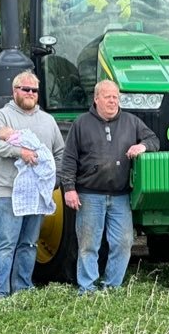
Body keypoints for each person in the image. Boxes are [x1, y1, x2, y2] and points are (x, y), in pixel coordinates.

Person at [60, 79, 159, 295]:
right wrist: (69, 188)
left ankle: (112, 286)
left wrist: (142, 146)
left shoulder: (132, 122)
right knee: (88, 245)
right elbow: (69, 159)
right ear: (96, 99)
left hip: (120, 196)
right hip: (89, 195)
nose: (113, 101)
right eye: (108, 97)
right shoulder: (81, 124)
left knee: (124, 242)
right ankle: (87, 288)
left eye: (116, 97)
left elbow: (154, 139)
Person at [0, 70, 64, 300]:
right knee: (7, 242)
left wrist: (53, 179)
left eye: (34, 90)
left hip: (37, 193)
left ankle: (22, 289)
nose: (30, 93)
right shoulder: (2, 116)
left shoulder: (48, 120)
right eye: (25, 89)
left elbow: (60, 152)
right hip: (8, 191)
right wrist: (19, 151)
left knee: (29, 243)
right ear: (14, 91)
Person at [0, 126, 57, 216]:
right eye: (6, 138)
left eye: (6, 137)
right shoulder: (14, 138)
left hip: (39, 153)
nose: (7, 139)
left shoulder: (20, 136)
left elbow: (30, 142)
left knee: (44, 167)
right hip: (30, 159)